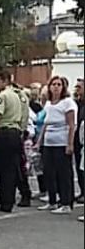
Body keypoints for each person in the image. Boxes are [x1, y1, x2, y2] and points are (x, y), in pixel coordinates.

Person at [36, 75, 77, 214]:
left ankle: (66, 202)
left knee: (63, 173)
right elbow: (45, 124)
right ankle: (52, 201)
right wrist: (39, 141)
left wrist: (70, 144)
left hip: (62, 141)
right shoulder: (48, 104)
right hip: (49, 142)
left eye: (59, 84)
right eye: (53, 84)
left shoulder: (67, 103)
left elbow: (72, 125)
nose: (56, 87)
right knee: (49, 172)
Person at [0, 70, 23, 213]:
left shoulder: (1, 97)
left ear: (6, 81)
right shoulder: (17, 95)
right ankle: (7, 203)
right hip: (15, 132)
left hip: (3, 133)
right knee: (9, 171)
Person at [13, 82, 32, 207]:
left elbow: (23, 116)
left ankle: (25, 192)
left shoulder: (18, 96)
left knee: (17, 166)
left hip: (16, 132)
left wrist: (21, 131)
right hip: (18, 132)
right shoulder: (21, 96)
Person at [73, 79, 85, 203]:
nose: (77, 90)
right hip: (78, 139)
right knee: (79, 167)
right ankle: (82, 191)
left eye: (79, 87)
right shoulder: (77, 103)